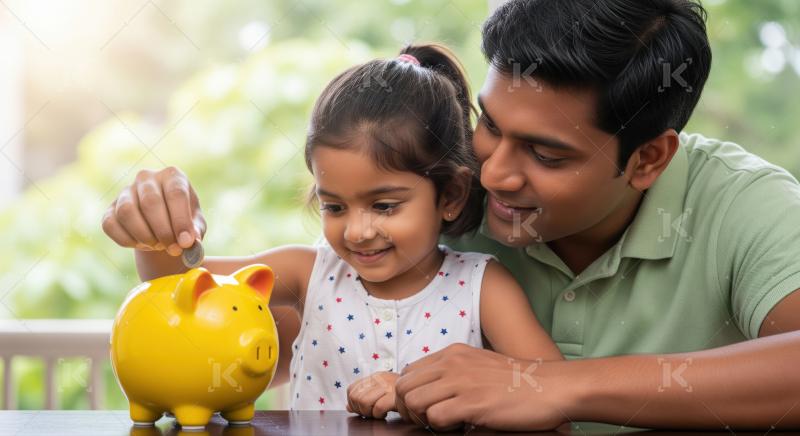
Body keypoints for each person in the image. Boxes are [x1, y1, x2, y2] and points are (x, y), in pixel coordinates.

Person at [391, 0, 800, 431]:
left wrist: (553, 387)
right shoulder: (441, 187)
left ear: (648, 160)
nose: (493, 174)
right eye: (490, 125)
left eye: (545, 155)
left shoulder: (743, 203)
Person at [101, 44, 562, 417]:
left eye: (384, 205)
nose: (358, 231)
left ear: (451, 196)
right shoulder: (308, 271)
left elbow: (550, 391)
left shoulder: (483, 285)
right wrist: (160, 230)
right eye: (335, 205)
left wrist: (415, 391)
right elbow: (175, 283)